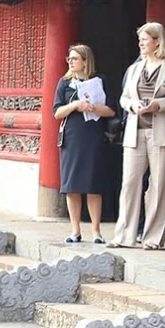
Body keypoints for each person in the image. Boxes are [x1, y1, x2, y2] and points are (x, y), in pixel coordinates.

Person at [109, 22, 165, 251]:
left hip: (162, 133)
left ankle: (153, 237)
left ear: (158, 41)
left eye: (145, 39)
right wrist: (132, 106)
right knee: (129, 183)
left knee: (157, 185)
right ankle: (124, 235)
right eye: (140, 39)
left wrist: (159, 104)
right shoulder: (135, 68)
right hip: (135, 132)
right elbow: (123, 98)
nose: (141, 43)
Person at [53, 45, 116, 244]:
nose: (71, 62)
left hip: (93, 135)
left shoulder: (100, 81)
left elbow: (112, 111)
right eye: (69, 58)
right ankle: (75, 230)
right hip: (72, 136)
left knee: (93, 184)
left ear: (85, 61)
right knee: (72, 185)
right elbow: (56, 112)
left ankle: (96, 231)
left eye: (75, 58)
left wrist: (93, 107)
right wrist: (75, 105)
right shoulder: (64, 83)